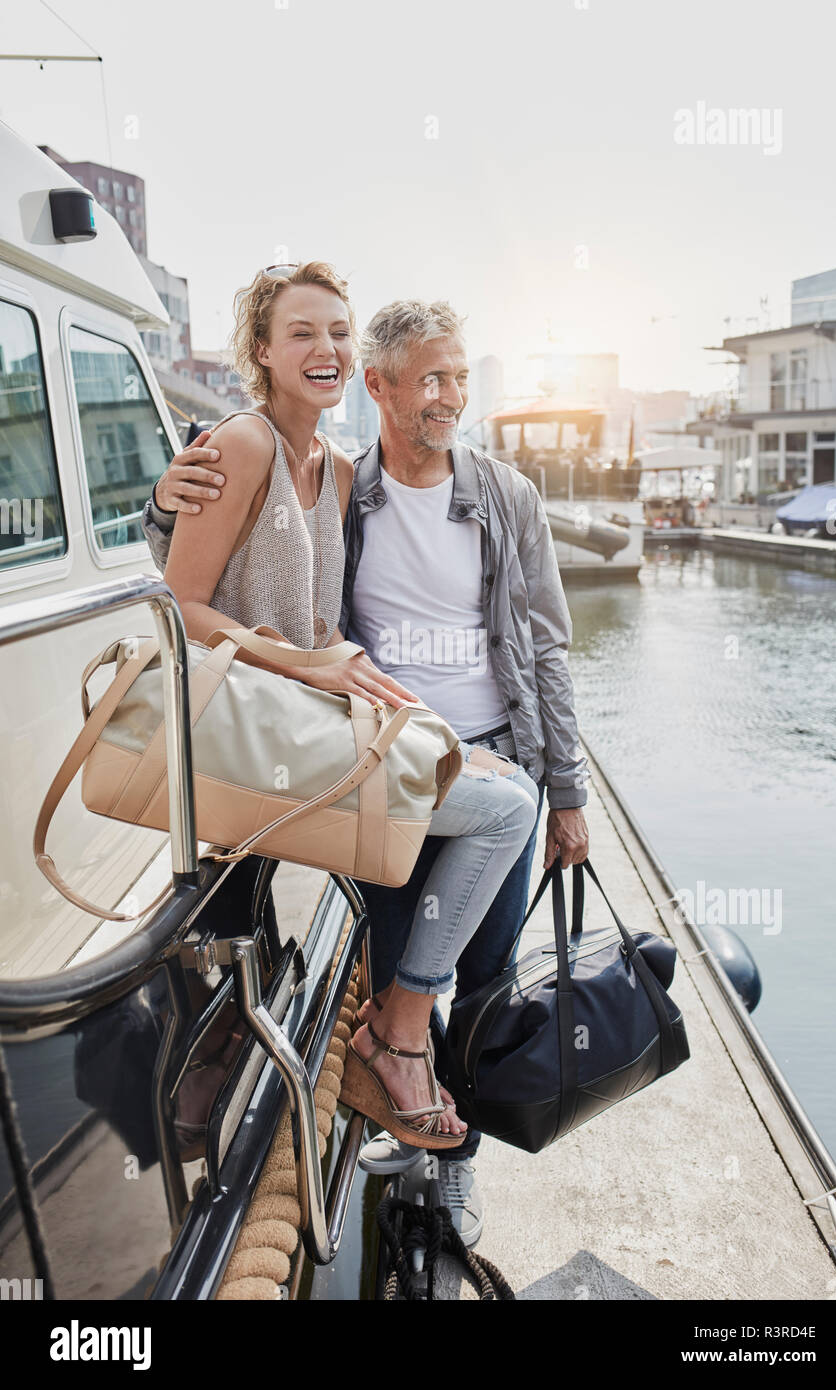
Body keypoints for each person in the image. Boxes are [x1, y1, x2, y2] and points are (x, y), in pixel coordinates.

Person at [143, 294, 589, 1242]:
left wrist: (569, 793)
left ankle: (455, 1167)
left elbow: (549, 650)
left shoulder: (505, 496)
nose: (448, 397)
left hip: (492, 751)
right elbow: (208, 572)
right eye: (429, 378)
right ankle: (396, 1077)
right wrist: (162, 495)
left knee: (488, 975)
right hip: (387, 763)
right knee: (398, 959)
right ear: (379, 388)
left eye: (460, 377)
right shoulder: (351, 483)